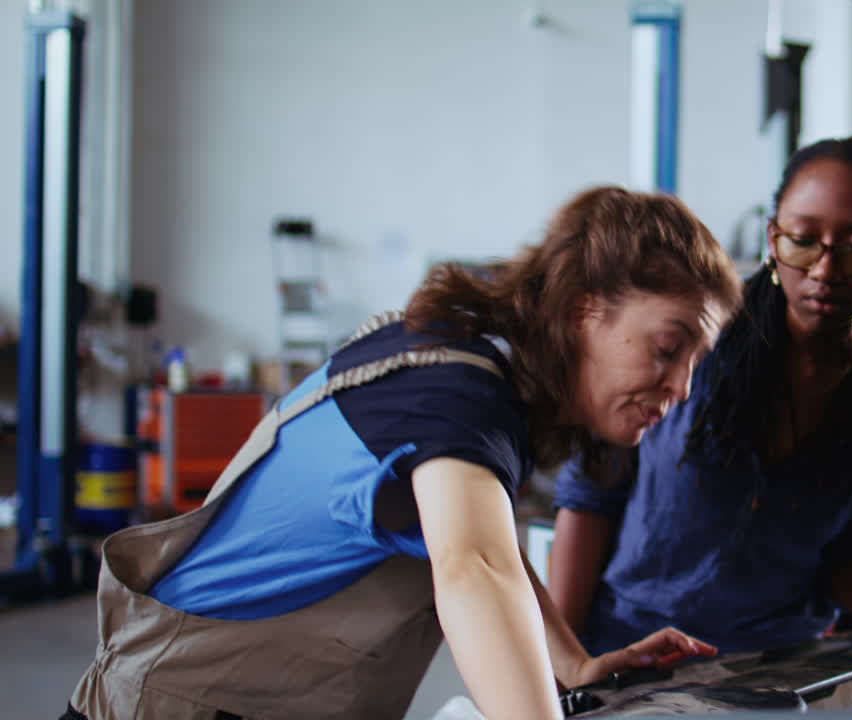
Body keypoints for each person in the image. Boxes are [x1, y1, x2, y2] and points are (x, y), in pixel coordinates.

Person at [63, 186, 741, 720]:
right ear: (586, 311)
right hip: (172, 703)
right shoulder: (455, 392)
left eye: (696, 365)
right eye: (668, 346)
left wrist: (570, 663)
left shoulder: (472, 370)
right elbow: (472, 568)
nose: (680, 388)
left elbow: (489, 544)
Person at [549, 136, 852, 657]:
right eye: (803, 240)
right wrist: (561, 668)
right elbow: (591, 496)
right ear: (772, 238)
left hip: (774, 674)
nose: (825, 271)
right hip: (632, 656)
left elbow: (851, 559)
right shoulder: (695, 340)